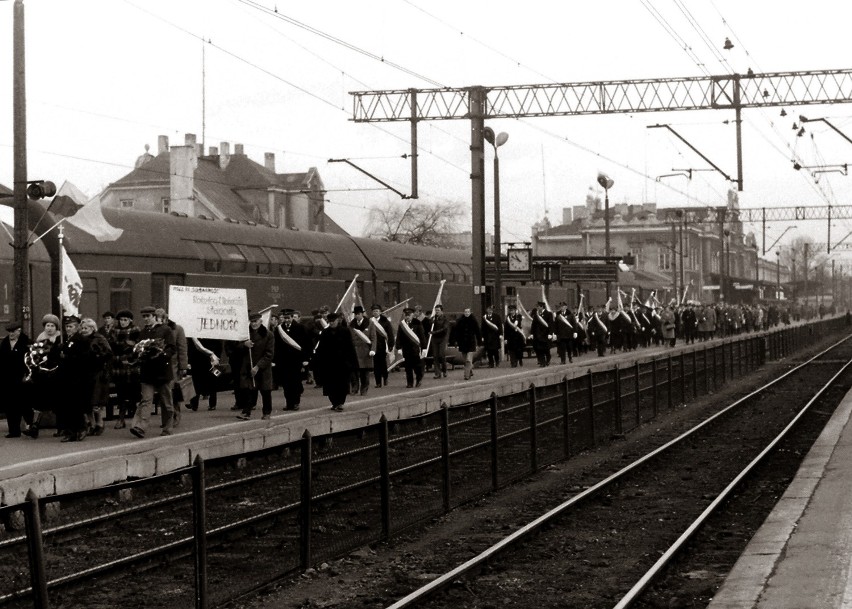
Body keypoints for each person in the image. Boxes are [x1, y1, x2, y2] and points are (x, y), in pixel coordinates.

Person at [129, 305, 176, 439]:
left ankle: (167, 427)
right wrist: (138, 354)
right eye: (144, 317)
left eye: (148, 316)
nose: (146, 319)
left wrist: (162, 354)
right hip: (147, 372)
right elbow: (139, 349)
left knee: (166, 402)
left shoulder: (165, 330)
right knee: (146, 400)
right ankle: (140, 427)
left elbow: (172, 348)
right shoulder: (143, 333)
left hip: (162, 371)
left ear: (154, 316)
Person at [23, 314, 63, 439]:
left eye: (52, 326)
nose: (49, 328)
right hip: (42, 376)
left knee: (57, 401)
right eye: (47, 325)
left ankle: (61, 427)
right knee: (39, 401)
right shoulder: (40, 339)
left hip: (56, 375)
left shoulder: (60, 339)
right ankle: (35, 426)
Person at [57, 315, 96, 442]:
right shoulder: (64, 340)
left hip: (77, 378)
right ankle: (71, 431)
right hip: (65, 378)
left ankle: (78, 429)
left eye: (71, 326)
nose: (68, 329)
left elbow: (84, 359)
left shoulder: (82, 340)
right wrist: (58, 351)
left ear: (77, 327)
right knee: (67, 406)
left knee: (75, 406)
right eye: (66, 326)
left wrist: (66, 356)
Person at [311, 312, 358, 411]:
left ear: (338, 321)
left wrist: (352, 362)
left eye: (333, 321)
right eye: (330, 321)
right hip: (329, 364)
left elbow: (350, 347)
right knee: (330, 385)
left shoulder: (345, 331)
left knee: (342, 384)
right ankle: (334, 402)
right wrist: (318, 360)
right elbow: (321, 348)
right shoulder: (325, 332)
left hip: (342, 363)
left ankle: (340, 402)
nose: (332, 323)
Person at [235, 312, 275, 421]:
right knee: (249, 390)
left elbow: (269, 354)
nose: (253, 324)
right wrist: (244, 344)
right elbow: (235, 347)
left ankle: (267, 412)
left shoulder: (268, 335)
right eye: (252, 321)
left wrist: (257, 367)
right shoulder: (246, 334)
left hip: (262, 368)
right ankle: (246, 412)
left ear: (261, 321)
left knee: (265, 391)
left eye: (255, 321)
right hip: (248, 366)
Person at [80, 318, 113, 436]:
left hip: (98, 373)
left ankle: (100, 423)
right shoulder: (81, 340)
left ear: (92, 328)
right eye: (82, 328)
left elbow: (108, 354)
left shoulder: (99, 339)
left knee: (96, 401)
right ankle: (92, 423)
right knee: (87, 401)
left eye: (86, 328)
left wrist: (98, 355)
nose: (84, 330)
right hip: (85, 373)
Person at [156, 308, 188, 427]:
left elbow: (182, 348)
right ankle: (167, 418)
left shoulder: (177, 329)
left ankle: (175, 414)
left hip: (173, 365)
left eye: (161, 320)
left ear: (165, 318)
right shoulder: (156, 329)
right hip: (160, 365)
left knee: (172, 392)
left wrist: (183, 366)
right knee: (163, 393)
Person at [109, 309, 141, 428]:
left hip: (132, 367)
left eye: (125, 320)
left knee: (134, 393)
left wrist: (128, 352)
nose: (122, 322)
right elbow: (112, 346)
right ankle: (121, 418)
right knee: (121, 393)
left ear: (130, 320)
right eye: (121, 320)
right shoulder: (114, 330)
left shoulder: (135, 330)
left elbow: (137, 347)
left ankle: (135, 419)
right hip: (119, 367)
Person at [273, 309, 309, 411]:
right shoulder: (279, 329)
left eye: (288, 318)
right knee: (286, 383)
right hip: (284, 361)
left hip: (296, 360)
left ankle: (296, 402)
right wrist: (275, 360)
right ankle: (289, 403)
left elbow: (306, 344)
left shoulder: (301, 328)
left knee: (295, 382)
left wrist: (305, 359)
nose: (287, 320)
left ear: (292, 317)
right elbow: (276, 346)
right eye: (285, 318)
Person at [0, 320, 31, 438]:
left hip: (22, 377)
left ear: (19, 331)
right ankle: (13, 430)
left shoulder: (26, 342)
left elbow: (29, 360)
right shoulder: (5, 343)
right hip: (8, 378)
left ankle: (30, 426)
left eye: (13, 331)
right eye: (9, 332)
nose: (11, 334)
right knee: (10, 405)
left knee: (24, 403)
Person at [187, 337, 223, 411]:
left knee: (212, 382)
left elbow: (219, 346)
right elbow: (190, 347)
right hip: (197, 360)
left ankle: (212, 404)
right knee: (196, 382)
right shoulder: (194, 336)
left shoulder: (211, 335)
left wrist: (216, 357)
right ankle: (194, 403)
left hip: (210, 362)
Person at [397, 308, 426, 387]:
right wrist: (399, 347)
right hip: (406, 349)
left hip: (416, 349)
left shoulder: (417, 323)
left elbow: (422, 336)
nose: (407, 317)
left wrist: (424, 348)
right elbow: (399, 337)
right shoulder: (402, 325)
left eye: (409, 315)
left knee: (417, 366)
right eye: (406, 315)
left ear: (412, 315)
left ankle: (419, 379)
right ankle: (409, 383)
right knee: (408, 367)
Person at [368, 304, 395, 388]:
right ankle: (378, 382)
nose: (375, 312)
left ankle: (385, 377)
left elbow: (390, 334)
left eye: (377, 311)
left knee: (383, 363)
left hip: (383, 345)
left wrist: (391, 344)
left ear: (380, 312)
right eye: (374, 311)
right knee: (376, 365)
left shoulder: (385, 321)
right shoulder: (370, 321)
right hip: (373, 346)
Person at [348, 305, 373, 395]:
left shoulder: (369, 323)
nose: (357, 316)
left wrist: (373, 349)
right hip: (354, 351)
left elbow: (373, 338)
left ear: (362, 314)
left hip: (365, 351)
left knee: (364, 372)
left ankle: (364, 389)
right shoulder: (351, 325)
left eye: (358, 314)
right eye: (355, 314)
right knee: (353, 372)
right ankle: (355, 388)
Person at [452, 307, 481, 380]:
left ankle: (466, 375)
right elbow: (456, 332)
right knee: (465, 360)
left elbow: (477, 331)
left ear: (470, 312)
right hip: (462, 343)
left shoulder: (473, 321)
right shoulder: (460, 321)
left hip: (471, 343)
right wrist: (455, 341)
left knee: (468, 360)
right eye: (465, 312)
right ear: (464, 312)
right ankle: (470, 370)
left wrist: (479, 341)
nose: (466, 313)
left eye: (468, 312)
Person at [530, 302, 554, 367]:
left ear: (542, 307)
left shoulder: (549, 314)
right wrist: (532, 333)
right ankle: (542, 362)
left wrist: (550, 333)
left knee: (546, 349)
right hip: (538, 335)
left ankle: (548, 358)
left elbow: (551, 324)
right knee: (539, 349)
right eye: (537, 307)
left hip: (545, 335)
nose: (537, 308)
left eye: (538, 306)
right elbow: (533, 325)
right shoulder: (536, 315)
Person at [428, 304, 449, 378]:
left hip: (442, 338)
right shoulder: (434, 319)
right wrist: (431, 321)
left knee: (441, 354)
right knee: (435, 355)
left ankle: (444, 370)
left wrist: (434, 332)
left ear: (441, 311)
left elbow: (444, 329)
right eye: (436, 310)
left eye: (438, 310)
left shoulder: (445, 319)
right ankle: (437, 373)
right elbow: (429, 326)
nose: (437, 312)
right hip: (435, 339)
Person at [504, 304, 526, 368]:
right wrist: (505, 338)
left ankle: (520, 359)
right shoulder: (508, 318)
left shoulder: (518, 316)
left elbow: (521, 322)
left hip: (518, 337)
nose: (511, 311)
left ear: (515, 310)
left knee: (518, 350)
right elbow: (506, 329)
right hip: (511, 337)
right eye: (510, 310)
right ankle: (513, 362)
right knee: (511, 350)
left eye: (513, 310)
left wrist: (517, 321)